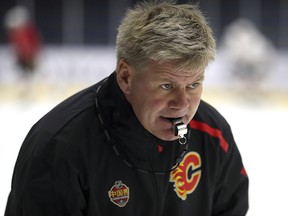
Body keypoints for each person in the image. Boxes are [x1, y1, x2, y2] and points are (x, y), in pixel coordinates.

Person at [5, 1, 249, 215]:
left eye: (194, 84)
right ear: (125, 77)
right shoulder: (59, 148)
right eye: (166, 85)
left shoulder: (213, 134)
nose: (183, 104)